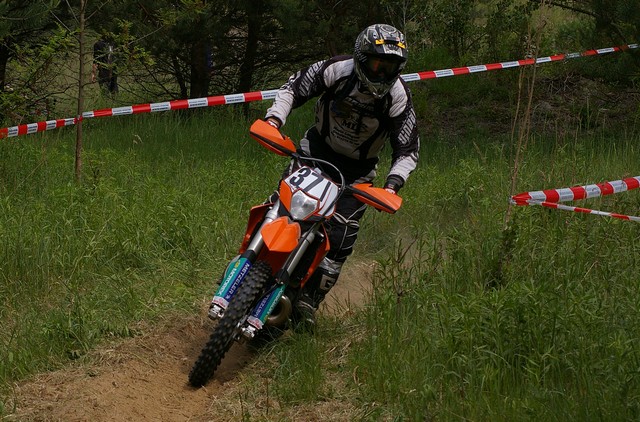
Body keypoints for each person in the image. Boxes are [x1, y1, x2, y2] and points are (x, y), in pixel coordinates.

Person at [264, 23, 420, 330]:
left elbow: (408, 149)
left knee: (341, 235)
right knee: (281, 206)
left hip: (357, 174)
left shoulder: (398, 96)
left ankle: (308, 300)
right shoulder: (337, 70)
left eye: (390, 67)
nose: (381, 73)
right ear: (361, 58)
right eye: (377, 64)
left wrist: (391, 186)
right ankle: (249, 261)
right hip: (315, 152)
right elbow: (293, 88)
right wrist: (273, 120)